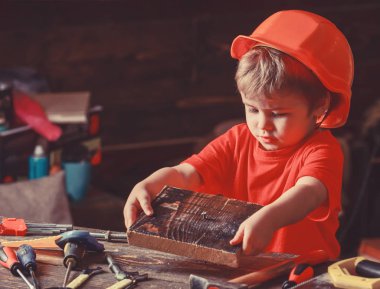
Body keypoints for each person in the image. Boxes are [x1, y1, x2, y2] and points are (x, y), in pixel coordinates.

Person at [124, 10, 354, 259]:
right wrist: (149, 185)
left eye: (278, 114)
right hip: (241, 270)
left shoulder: (323, 150)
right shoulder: (236, 140)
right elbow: (186, 174)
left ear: (320, 105)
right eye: (252, 109)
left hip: (305, 275)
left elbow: (308, 192)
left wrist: (269, 218)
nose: (262, 125)